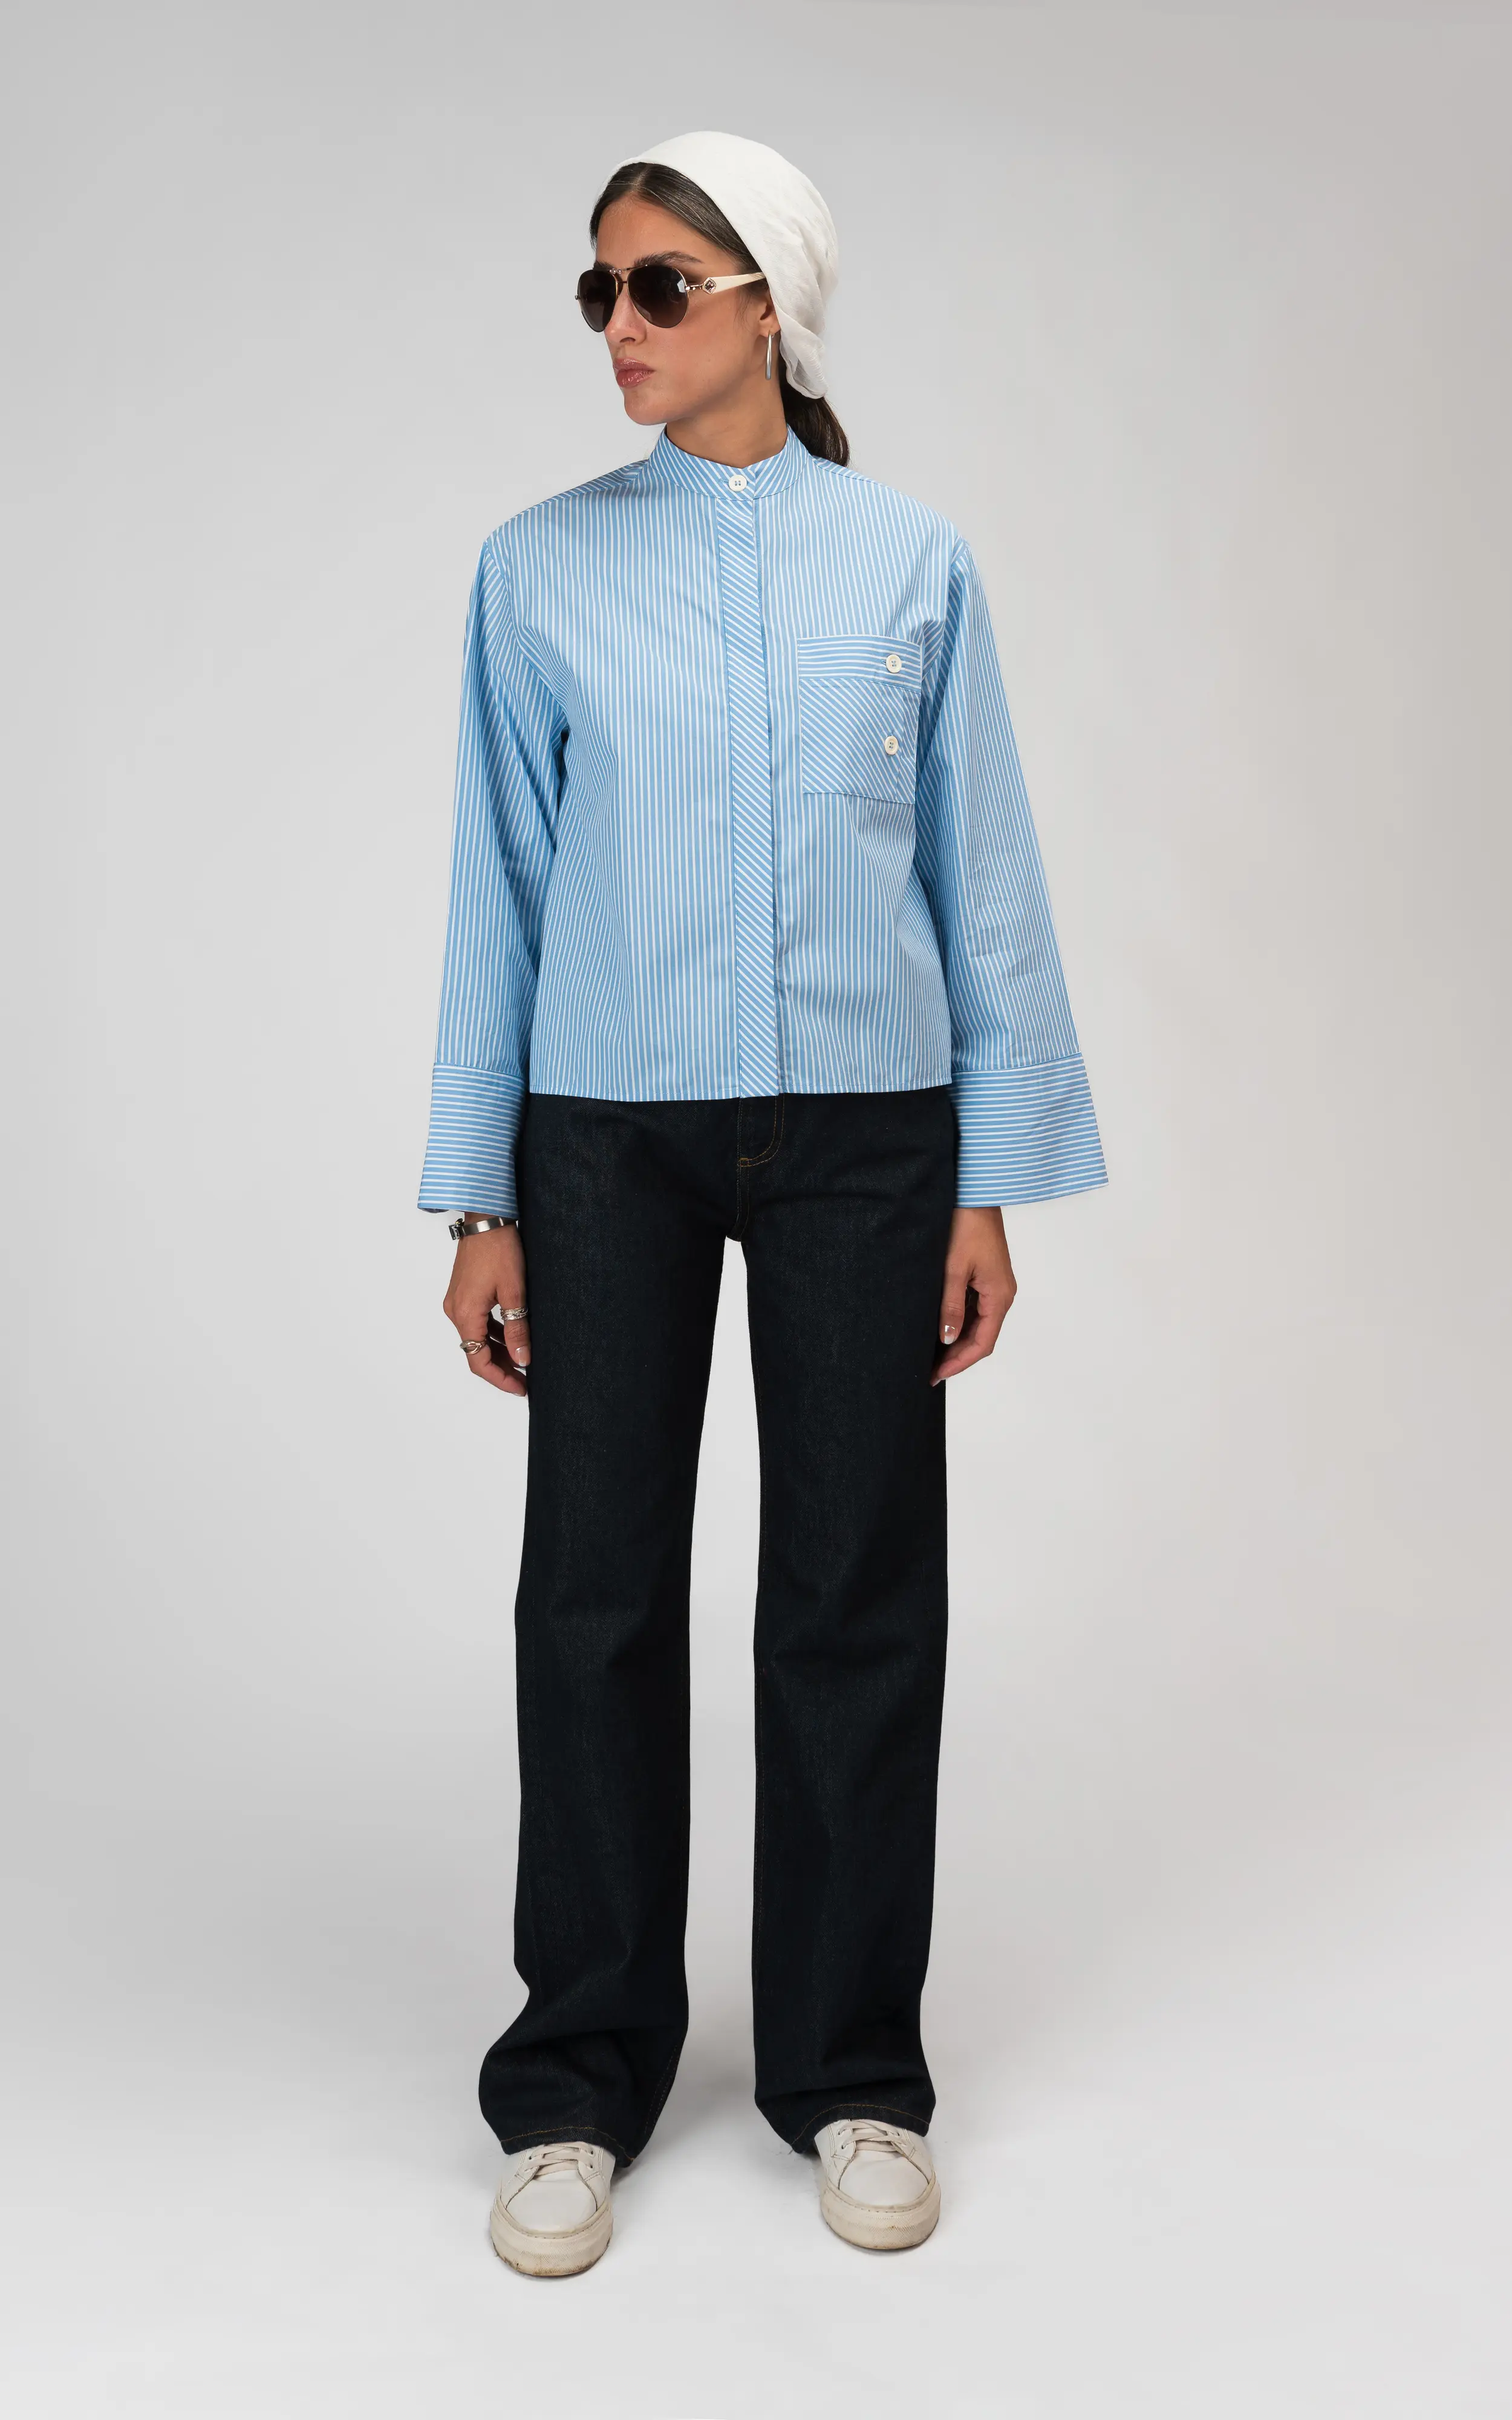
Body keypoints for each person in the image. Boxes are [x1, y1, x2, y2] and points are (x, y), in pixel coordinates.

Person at [417, 129, 1106, 2277]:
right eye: (600, 290)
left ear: (767, 309)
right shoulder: (536, 569)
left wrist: (991, 1175)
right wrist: (476, 1202)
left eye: (659, 286)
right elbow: (498, 894)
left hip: (871, 1133)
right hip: (600, 1133)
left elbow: (978, 872)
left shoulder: (910, 563)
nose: (617, 326)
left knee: (852, 1592)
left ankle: (850, 2072)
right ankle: (575, 2082)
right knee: (594, 1594)